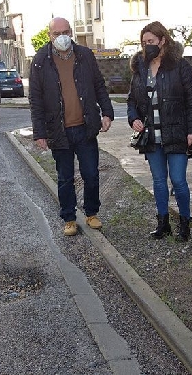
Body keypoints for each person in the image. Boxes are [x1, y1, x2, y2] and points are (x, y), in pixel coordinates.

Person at [29, 17, 114, 236]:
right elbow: (36, 99)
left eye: (66, 32)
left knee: (91, 174)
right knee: (65, 177)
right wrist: (40, 133)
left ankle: (92, 213)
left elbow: (99, 86)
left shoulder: (85, 55)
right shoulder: (40, 61)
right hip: (59, 131)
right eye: (57, 34)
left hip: (85, 127)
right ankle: (69, 218)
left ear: (71, 33)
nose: (62, 37)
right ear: (50, 35)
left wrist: (107, 112)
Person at [127, 21, 192, 242]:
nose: (147, 45)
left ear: (163, 40)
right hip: (152, 135)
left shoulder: (179, 65)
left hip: (177, 133)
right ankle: (163, 223)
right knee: (159, 181)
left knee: (178, 180)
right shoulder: (140, 68)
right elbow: (132, 100)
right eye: (143, 42)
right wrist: (134, 119)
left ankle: (185, 224)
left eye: (151, 41)